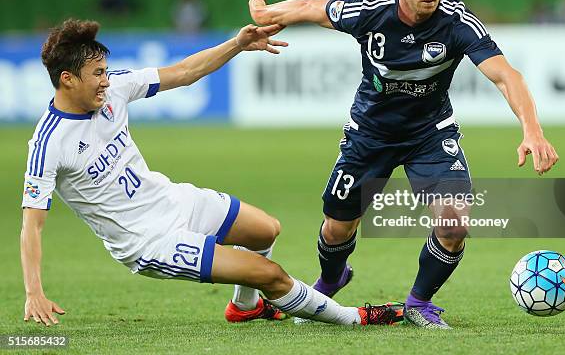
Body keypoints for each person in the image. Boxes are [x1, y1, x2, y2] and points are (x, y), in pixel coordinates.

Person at [248, 0, 559, 329]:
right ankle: (331, 279)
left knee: (454, 222)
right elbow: (310, 6)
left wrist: (531, 130)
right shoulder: (369, 11)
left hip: (429, 134)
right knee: (337, 226)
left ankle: (419, 302)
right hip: (369, 133)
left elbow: (507, 76)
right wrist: (265, 13)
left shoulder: (458, 22)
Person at [20, 18, 404, 327]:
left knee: (266, 229)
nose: (106, 80)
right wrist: (34, 291)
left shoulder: (115, 89)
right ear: (67, 79)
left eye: (105, 71)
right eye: (97, 73)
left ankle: (244, 308)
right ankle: (356, 318)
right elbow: (32, 226)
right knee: (270, 274)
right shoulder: (49, 143)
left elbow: (185, 71)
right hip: (149, 240)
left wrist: (237, 43)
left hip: (172, 199)